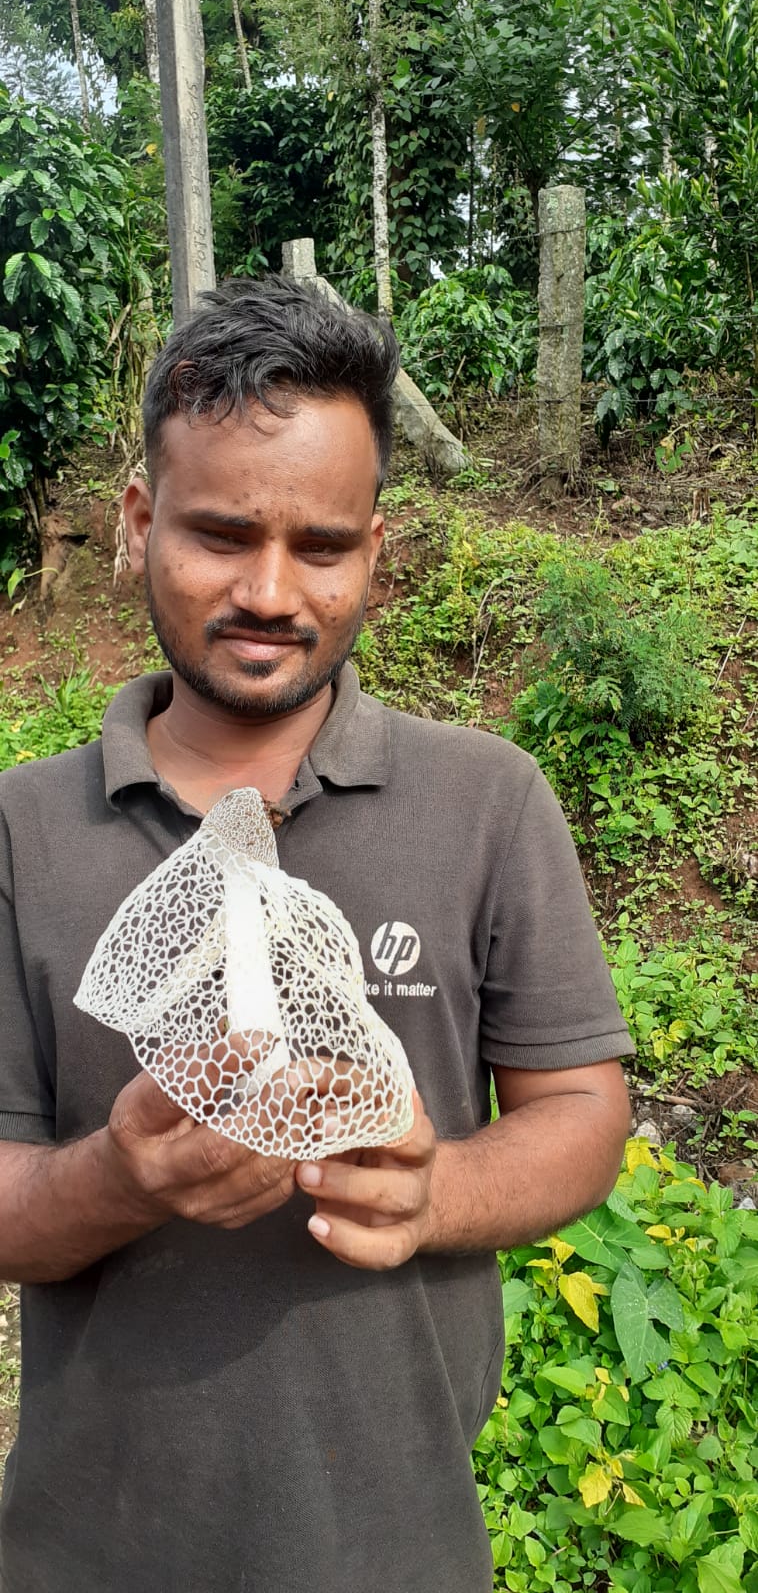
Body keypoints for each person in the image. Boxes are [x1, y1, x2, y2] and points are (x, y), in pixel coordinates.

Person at [0, 278, 633, 1593]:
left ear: (376, 545)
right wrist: (117, 1183)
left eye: (323, 545)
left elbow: (579, 1110)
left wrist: (436, 1192)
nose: (271, 591)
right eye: (221, 533)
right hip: (92, 1552)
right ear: (137, 521)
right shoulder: (20, 831)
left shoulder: (487, 801)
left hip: (396, 1550)